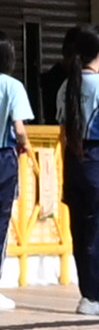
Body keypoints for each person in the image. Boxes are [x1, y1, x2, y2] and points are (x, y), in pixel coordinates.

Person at [57, 25, 99, 317]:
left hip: (73, 158)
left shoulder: (67, 85)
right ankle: (94, 296)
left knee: (80, 230)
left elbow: (62, 130)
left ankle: (88, 293)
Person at [0, 33, 32, 313]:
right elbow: (19, 128)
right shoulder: (12, 86)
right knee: (0, 222)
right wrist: (27, 146)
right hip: (3, 157)